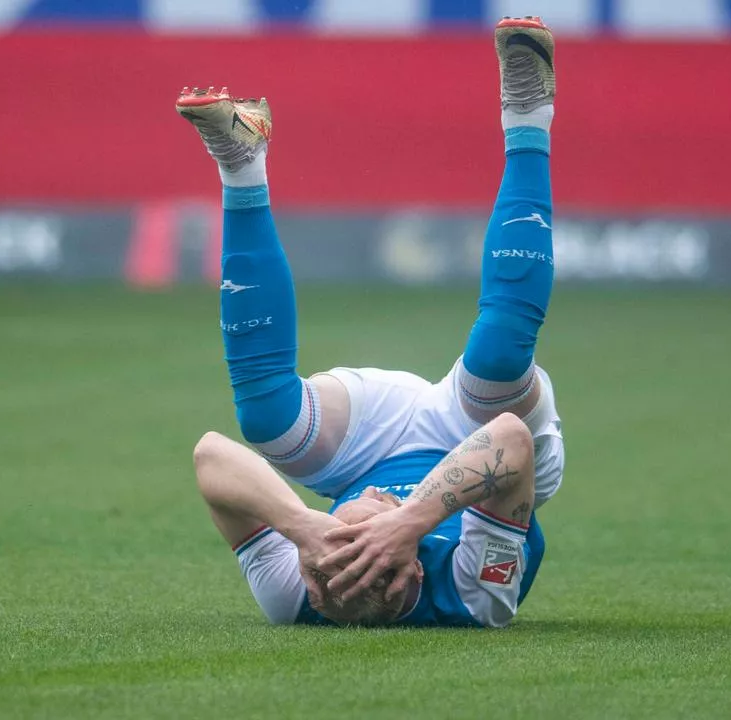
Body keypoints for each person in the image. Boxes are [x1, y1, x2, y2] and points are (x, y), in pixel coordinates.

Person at [179, 16, 563, 627]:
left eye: (340, 535)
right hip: (487, 453)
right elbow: (511, 440)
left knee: (265, 418)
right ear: (410, 564)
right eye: (364, 537)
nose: (354, 520)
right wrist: (406, 524)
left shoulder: (295, 592)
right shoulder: (470, 596)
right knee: (497, 361)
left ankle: (242, 164)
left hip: (370, 448)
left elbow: (209, 457)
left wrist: (305, 526)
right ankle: (528, 113)